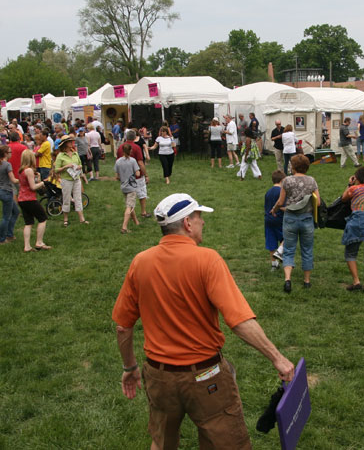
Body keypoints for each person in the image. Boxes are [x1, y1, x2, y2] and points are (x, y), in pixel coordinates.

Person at [112, 193, 295, 450]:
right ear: (187, 223)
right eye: (199, 217)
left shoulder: (140, 262)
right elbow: (239, 320)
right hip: (205, 375)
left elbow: (123, 325)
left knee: (161, 442)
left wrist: (129, 368)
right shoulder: (207, 259)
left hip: (158, 376)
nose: (203, 223)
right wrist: (277, 357)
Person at [270, 154, 319, 293]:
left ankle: (287, 279)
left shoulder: (287, 181)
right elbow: (318, 202)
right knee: (307, 250)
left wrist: (274, 210)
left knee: (289, 250)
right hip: (307, 219)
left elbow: (280, 202)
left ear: (294, 166)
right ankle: (307, 281)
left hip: (290, 218)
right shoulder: (312, 181)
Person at [17, 150, 50, 252]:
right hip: (30, 199)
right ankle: (39, 242)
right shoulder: (29, 170)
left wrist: (38, 178)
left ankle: (27, 246)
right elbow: (32, 187)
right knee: (42, 218)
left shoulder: (21, 170)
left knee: (28, 222)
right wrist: (42, 183)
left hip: (21, 199)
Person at [54, 135, 89, 227]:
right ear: (65, 144)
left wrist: (79, 167)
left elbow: (80, 164)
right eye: (70, 142)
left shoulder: (75, 153)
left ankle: (82, 218)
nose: (72, 143)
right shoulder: (60, 156)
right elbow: (56, 170)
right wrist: (66, 167)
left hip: (76, 179)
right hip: (66, 180)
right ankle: (65, 219)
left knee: (78, 198)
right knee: (66, 199)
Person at [117, 130, 150, 218]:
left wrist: (119, 175)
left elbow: (118, 162)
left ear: (126, 137)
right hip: (137, 176)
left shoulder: (120, 147)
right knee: (141, 193)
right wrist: (145, 174)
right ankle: (143, 212)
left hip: (125, 176)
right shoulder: (136, 147)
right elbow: (140, 162)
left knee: (129, 196)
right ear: (135, 137)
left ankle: (132, 214)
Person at [0, 145, 20, 245]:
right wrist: (23, 179)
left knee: (16, 212)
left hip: (1, 191)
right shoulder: (7, 165)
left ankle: (9, 234)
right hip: (7, 192)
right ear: (5, 154)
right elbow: (13, 180)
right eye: (10, 152)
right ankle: (2, 239)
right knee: (6, 217)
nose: (11, 154)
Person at [114, 143, 141, 234]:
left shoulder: (118, 162)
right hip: (132, 187)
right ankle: (124, 227)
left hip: (123, 187)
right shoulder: (133, 161)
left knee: (129, 204)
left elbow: (117, 176)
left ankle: (136, 222)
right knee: (129, 206)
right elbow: (137, 173)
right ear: (130, 151)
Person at [264, 170, 285, 269]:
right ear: (282, 180)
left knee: (271, 241)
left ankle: (274, 264)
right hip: (279, 219)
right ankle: (280, 251)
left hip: (268, 219)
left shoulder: (268, 192)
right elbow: (282, 205)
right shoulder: (281, 192)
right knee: (286, 237)